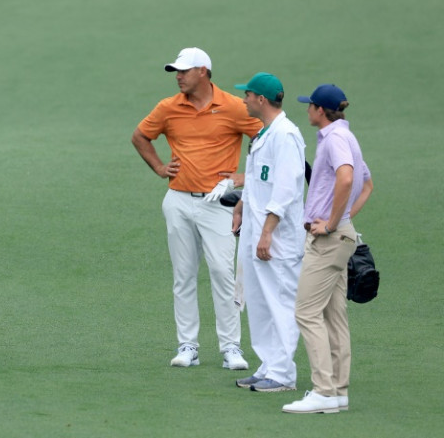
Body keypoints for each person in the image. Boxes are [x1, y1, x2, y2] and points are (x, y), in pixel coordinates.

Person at [131, 47, 263, 369]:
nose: (178, 77)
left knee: (222, 272)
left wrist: (243, 177)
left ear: (203, 71)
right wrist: (160, 168)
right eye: (176, 71)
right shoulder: (168, 108)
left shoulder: (233, 107)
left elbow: (266, 141)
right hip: (177, 201)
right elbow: (140, 137)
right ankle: (188, 345)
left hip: (218, 203)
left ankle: (231, 347)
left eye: (184, 71)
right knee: (184, 275)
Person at [282, 84, 373, 413]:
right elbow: (367, 183)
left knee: (306, 312)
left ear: (321, 110)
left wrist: (333, 222)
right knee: (334, 316)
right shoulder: (346, 137)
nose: (307, 110)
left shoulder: (334, 139)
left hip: (328, 238)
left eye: (310, 106)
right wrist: (345, 218)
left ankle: (323, 389)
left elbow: (348, 179)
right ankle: (337, 392)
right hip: (340, 235)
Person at [230, 73, 306, 392]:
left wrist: (267, 232)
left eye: (247, 95)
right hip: (255, 230)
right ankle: (268, 364)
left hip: (277, 238)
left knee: (280, 302)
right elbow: (259, 182)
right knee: (260, 302)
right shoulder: (264, 133)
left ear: (261, 99)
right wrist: (241, 208)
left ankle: (284, 374)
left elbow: (286, 187)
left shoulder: (286, 135)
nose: (243, 100)